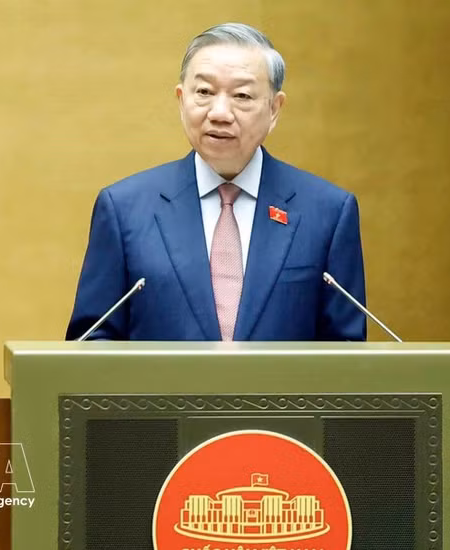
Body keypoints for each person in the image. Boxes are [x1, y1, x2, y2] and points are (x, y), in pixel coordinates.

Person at [66, 22, 367, 341]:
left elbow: (346, 356)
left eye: (242, 95)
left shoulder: (328, 213)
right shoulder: (124, 209)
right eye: (205, 92)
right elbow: (90, 345)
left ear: (274, 109)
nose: (220, 112)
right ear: (182, 99)